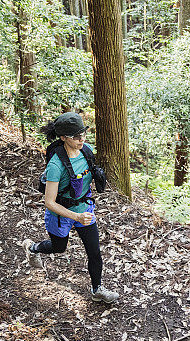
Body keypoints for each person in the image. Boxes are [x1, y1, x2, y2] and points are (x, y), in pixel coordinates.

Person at [22, 112, 119, 304]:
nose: (81, 139)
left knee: (94, 252)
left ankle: (97, 289)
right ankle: (32, 248)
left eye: (83, 133)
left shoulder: (87, 151)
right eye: (76, 136)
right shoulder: (55, 166)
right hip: (61, 214)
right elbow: (49, 202)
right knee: (59, 248)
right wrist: (76, 217)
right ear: (64, 137)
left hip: (84, 209)